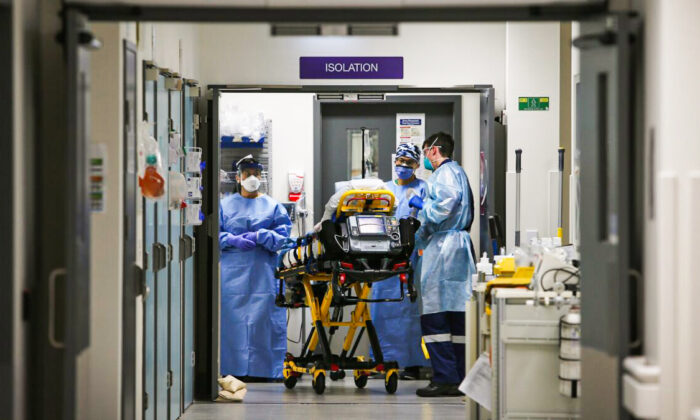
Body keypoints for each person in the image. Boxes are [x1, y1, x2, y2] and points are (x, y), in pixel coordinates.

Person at [408, 132, 476, 397]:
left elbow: (442, 209)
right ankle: (460, 377)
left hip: (444, 250)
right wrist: (415, 242)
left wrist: (422, 205)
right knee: (457, 315)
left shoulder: (444, 174)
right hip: (456, 248)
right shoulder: (458, 172)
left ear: (434, 150)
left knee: (436, 316)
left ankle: (445, 379)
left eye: (425, 152)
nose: (425, 158)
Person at [219, 156, 292, 380]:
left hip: (263, 274)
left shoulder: (273, 206)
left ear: (261, 176)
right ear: (238, 178)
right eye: (247, 173)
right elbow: (213, 234)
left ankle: (265, 370)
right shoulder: (224, 205)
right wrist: (231, 240)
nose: (251, 178)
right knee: (234, 324)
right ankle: (232, 369)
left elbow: (283, 238)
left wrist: (261, 235)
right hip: (232, 275)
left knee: (263, 322)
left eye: (256, 173)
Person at [371, 143, 429, 380]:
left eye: (409, 162)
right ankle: (381, 361)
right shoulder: (384, 190)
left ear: (417, 165)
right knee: (380, 310)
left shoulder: (423, 188)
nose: (403, 166)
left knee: (408, 312)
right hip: (382, 260)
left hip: (410, 258)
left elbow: (428, 220)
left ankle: (412, 364)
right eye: (400, 161)